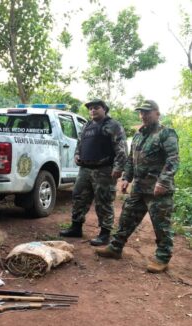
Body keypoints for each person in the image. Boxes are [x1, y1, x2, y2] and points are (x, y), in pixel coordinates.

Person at [96, 100, 179, 273]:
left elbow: (173, 160)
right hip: (139, 188)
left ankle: (162, 258)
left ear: (157, 113)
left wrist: (163, 181)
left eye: (147, 112)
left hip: (158, 191)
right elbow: (131, 160)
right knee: (126, 218)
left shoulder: (166, 133)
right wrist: (126, 178)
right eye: (141, 112)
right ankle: (115, 248)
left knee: (161, 226)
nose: (143, 116)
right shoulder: (138, 135)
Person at [60, 98, 127, 246]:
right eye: (90, 108)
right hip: (85, 169)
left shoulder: (112, 125)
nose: (93, 110)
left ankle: (104, 234)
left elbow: (121, 148)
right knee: (79, 197)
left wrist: (118, 168)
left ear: (104, 109)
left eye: (96, 107)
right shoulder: (87, 125)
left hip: (104, 170)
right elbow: (80, 143)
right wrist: (77, 154)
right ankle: (76, 227)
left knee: (103, 202)